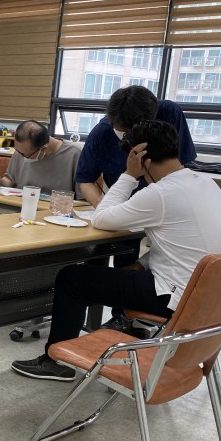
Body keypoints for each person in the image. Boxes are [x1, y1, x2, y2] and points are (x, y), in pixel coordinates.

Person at [11, 120, 221, 382]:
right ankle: (85, 342)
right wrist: (143, 262)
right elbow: (187, 245)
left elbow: (101, 219)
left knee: (72, 278)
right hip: (218, 301)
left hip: (179, 299)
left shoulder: (161, 193)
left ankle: (56, 362)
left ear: (139, 156)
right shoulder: (205, 182)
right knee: (109, 274)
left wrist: (129, 175)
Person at [76, 85, 197, 332]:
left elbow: (179, 164)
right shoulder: (102, 132)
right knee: (120, 254)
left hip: (164, 203)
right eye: (120, 132)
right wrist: (105, 206)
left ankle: (138, 317)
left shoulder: (169, 113)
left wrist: (159, 203)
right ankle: (119, 317)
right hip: (125, 205)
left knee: (160, 259)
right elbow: (85, 179)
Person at [0, 120, 80, 194]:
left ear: (43, 149)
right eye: (18, 151)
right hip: (21, 205)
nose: (21, 156)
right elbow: (10, 180)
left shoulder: (74, 155)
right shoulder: (21, 150)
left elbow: (82, 199)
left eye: (25, 154)